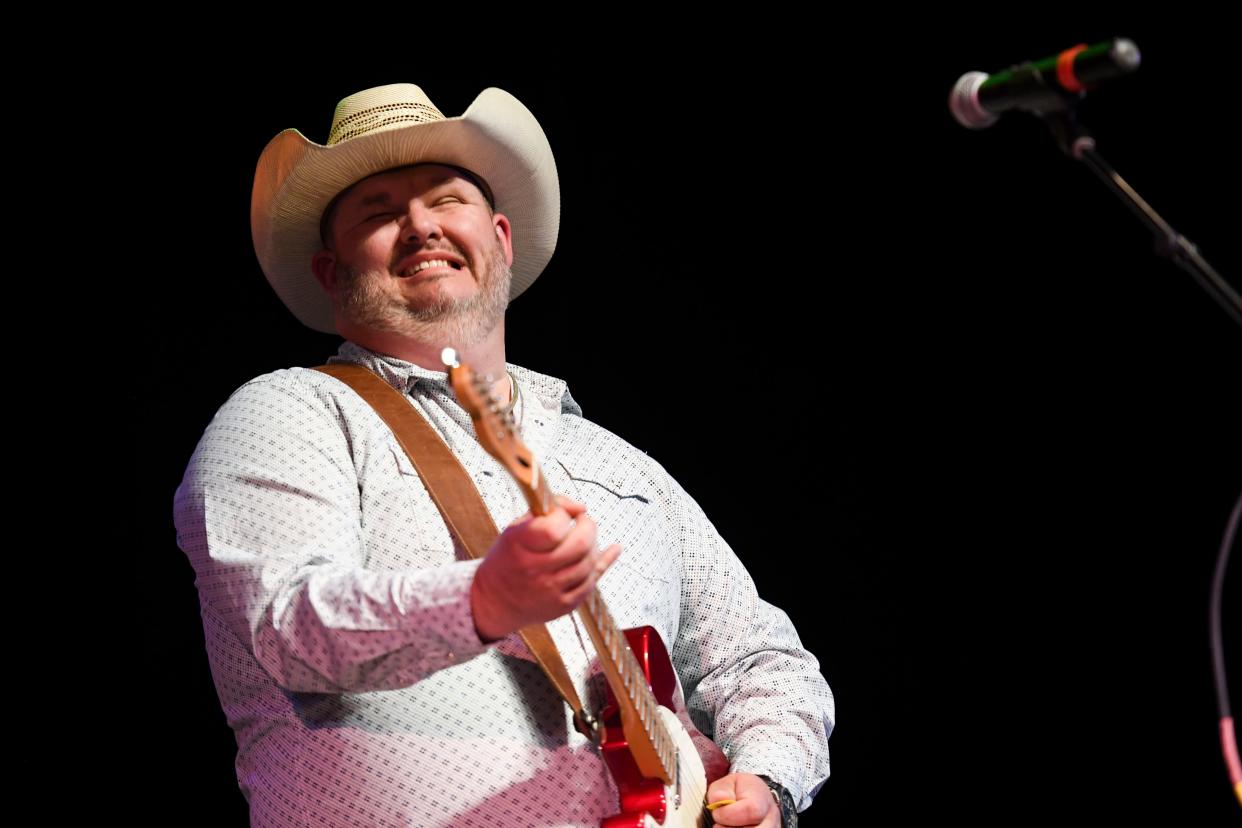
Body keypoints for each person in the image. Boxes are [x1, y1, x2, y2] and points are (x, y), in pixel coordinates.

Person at [174, 82, 834, 828]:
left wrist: (769, 780)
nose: (419, 225)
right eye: (380, 211)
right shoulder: (290, 412)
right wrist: (482, 601)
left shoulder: (623, 467)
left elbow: (757, 659)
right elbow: (289, 626)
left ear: (501, 238)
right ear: (332, 272)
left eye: (444, 199)